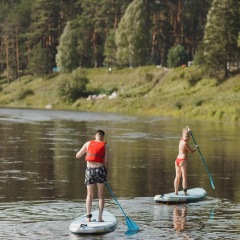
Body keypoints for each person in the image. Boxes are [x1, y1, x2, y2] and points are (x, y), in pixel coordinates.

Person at [76, 130, 109, 222]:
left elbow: (77, 155)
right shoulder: (105, 146)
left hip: (89, 171)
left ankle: (88, 218)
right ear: (102, 137)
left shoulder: (88, 143)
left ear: (95, 136)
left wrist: (87, 152)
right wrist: (106, 174)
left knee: (89, 195)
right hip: (100, 170)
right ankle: (100, 218)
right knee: (101, 196)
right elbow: (106, 162)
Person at [174, 127, 198, 195]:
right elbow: (191, 151)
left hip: (177, 160)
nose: (187, 138)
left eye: (188, 136)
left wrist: (189, 131)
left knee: (177, 176)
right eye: (186, 136)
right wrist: (196, 148)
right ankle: (185, 192)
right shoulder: (185, 143)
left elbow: (185, 133)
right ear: (182, 136)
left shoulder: (180, 140)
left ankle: (176, 192)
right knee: (184, 177)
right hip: (182, 161)